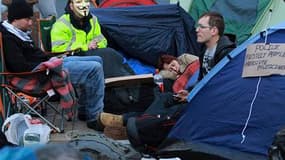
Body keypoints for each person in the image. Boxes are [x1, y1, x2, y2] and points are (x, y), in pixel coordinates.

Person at [0, 0, 105, 131]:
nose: (31, 23)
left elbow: (37, 55)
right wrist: (48, 63)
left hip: (47, 65)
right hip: (40, 74)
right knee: (94, 68)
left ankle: (85, 109)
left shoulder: (19, 33)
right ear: (15, 19)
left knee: (97, 59)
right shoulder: (9, 38)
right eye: (27, 19)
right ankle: (94, 117)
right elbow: (20, 67)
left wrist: (54, 58)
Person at [51, 0, 133, 78]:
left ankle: (133, 81)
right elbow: (57, 47)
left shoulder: (93, 19)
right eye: (79, 2)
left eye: (86, 1)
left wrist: (96, 44)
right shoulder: (61, 23)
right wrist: (85, 46)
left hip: (93, 52)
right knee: (108, 54)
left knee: (114, 55)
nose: (83, 5)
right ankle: (119, 86)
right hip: (72, 57)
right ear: (71, 6)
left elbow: (102, 40)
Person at [196, 11, 236, 80]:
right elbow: (201, 78)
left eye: (202, 27)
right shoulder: (204, 48)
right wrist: (189, 90)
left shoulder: (227, 52)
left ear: (214, 31)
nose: (197, 30)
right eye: (198, 26)